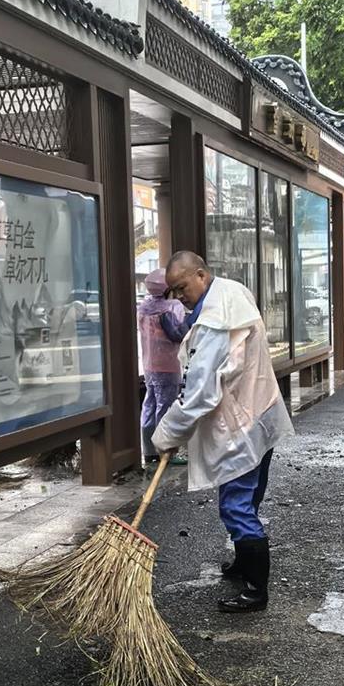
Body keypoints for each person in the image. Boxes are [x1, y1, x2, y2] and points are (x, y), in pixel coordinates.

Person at [151, 251, 294, 614]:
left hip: (240, 426)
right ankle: (245, 564)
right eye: (172, 291)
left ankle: (255, 591)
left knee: (236, 506)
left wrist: (165, 435)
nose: (178, 296)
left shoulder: (215, 321)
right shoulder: (232, 292)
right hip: (259, 412)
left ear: (201, 275)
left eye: (182, 287)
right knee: (248, 499)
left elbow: (198, 394)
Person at [137, 271, 186, 469]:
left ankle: (149, 451)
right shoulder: (171, 308)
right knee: (165, 408)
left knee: (150, 405)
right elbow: (178, 335)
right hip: (168, 365)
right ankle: (165, 450)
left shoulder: (144, 308)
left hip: (150, 365)